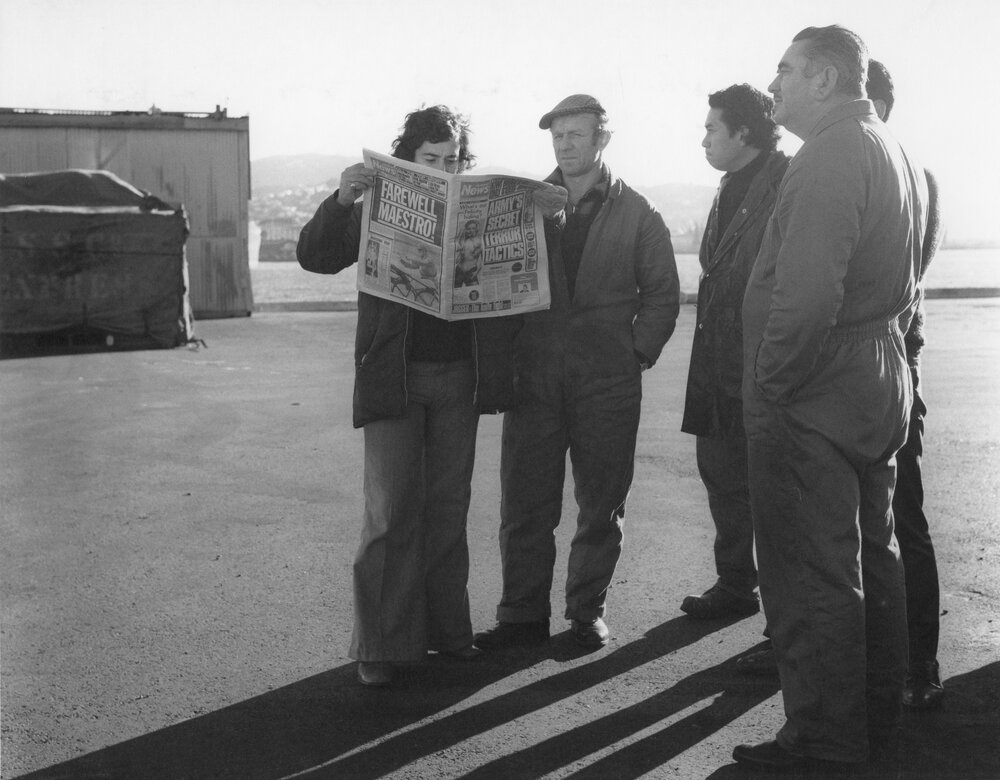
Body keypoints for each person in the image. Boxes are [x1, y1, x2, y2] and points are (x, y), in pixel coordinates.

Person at [733, 26, 928, 771]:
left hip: (816, 385)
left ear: (823, 79)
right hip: (874, 375)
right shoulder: (891, 148)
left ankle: (822, 743)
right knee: (871, 560)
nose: (773, 84)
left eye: (784, 70)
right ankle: (872, 729)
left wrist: (772, 387)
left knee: (812, 569)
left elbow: (809, 294)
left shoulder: (831, 154)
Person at [296, 105, 523, 688]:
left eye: (452, 160)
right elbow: (315, 257)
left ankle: (449, 634)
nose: (444, 168)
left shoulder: (475, 205)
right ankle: (380, 645)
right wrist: (342, 199)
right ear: (408, 158)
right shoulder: (376, 202)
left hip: (459, 378)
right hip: (393, 374)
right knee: (391, 510)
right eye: (431, 159)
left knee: (448, 508)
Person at [474, 94, 680, 651]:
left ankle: (586, 613)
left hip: (607, 381)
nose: (565, 145)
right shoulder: (521, 206)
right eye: (557, 136)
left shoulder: (639, 212)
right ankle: (520, 614)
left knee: (601, 504)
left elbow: (663, 295)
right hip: (535, 376)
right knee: (524, 503)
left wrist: (632, 353)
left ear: (601, 140)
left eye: (576, 135)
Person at [679, 84, 790, 620]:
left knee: (774, 494)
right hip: (717, 363)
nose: (703, 138)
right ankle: (735, 585)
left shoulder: (787, 180)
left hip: (761, 363)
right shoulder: (728, 186)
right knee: (721, 477)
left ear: (743, 132)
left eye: (711, 128)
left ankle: (784, 615)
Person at [867, 58, 946, 710]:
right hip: (896, 359)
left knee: (899, 517)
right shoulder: (915, 170)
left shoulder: (899, 171)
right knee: (890, 517)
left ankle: (917, 665)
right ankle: (910, 661)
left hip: (887, 359)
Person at [454, 219, 484, 287]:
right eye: (469, 229)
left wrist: (476, 272)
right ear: (466, 230)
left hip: (471, 271)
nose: (471, 230)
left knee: (475, 292)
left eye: (473, 228)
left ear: (476, 229)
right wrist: (459, 255)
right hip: (459, 271)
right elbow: (457, 258)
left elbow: (483, 260)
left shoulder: (480, 242)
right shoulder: (463, 241)